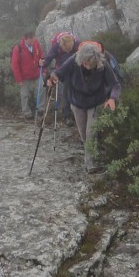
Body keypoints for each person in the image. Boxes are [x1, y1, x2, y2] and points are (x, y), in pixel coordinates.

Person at [48, 42, 120, 173]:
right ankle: (94, 151)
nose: (87, 66)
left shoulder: (102, 64)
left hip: (96, 102)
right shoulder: (74, 60)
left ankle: (90, 164)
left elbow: (115, 84)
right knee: (84, 135)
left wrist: (112, 98)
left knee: (90, 133)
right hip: (77, 102)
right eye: (85, 63)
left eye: (90, 63)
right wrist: (53, 78)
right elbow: (59, 72)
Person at [40, 32, 79, 124]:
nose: (68, 52)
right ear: (61, 47)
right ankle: (67, 116)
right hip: (63, 71)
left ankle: (77, 114)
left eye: (70, 49)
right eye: (66, 50)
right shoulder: (57, 46)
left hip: (76, 71)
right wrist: (43, 64)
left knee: (77, 92)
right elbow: (49, 57)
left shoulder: (78, 44)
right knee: (66, 93)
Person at [11, 31, 46, 118]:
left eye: (33, 39)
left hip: (36, 72)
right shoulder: (18, 48)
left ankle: (40, 109)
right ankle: (27, 112)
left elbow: (41, 56)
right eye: (30, 40)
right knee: (24, 94)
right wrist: (18, 79)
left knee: (42, 88)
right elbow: (15, 65)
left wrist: (43, 70)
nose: (32, 42)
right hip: (24, 76)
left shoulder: (36, 43)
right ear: (25, 39)